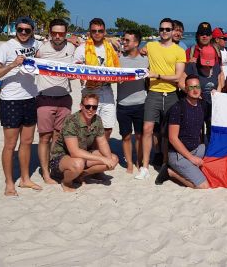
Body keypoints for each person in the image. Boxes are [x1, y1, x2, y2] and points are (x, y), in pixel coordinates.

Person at [0, 16, 42, 196]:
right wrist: (12, 65)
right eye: (20, 29)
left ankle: (25, 179)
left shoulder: (36, 44)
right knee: (10, 144)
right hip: (11, 100)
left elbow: (50, 54)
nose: (24, 33)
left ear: (32, 30)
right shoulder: (6, 47)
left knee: (27, 142)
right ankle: (9, 183)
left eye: (27, 30)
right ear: (16, 29)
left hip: (31, 98)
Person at [140, 18, 186, 179]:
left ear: (173, 31)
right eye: (162, 29)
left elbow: (177, 77)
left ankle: (166, 164)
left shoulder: (179, 51)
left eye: (167, 29)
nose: (164, 32)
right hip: (153, 93)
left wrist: (157, 75)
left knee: (167, 133)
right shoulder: (151, 46)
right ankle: (144, 166)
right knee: (147, 129)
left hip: (172, 94)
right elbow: (138, 52)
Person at [34, 19, 76, 185]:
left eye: (61, 33)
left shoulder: (72, 47)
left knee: (58, 137)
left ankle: (54, 167)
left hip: (65, 99)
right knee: (44, 138)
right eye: (54, 33)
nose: (58, 36)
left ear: (66, 33)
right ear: (50, 33)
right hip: (45, 99)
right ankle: (45, 173)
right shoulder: (41, 48)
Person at [49, 94, 119, 192]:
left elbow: (102, 142)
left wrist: (108, 160)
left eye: (94, 107)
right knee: (78, 163)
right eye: (87, 106)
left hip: (82, 155)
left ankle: (82, 174)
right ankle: (66, 182)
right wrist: (102, 159)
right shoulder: (71, 121)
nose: (91, 109)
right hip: (61, 158)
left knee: (113, 159)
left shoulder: (97, 120)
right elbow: (74, 152)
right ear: (81, 106)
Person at [155, 75, 211, 188]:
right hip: (178, 154)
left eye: (197, 87)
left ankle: (190, 166)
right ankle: (170, 172)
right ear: (185, 89)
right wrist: (192, 159)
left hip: (196, 149)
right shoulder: (178, 108)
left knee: (216, 156)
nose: (195, 90)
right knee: (203, 185)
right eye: (191, 87)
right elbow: (172, 138)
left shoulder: (203, 105)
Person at [73, 18, 120, 148]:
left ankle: (98, 151)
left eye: (100, 31)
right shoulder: (82, 48)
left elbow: (118, 66)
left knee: (108, 127)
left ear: (104, 32)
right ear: (90, 32)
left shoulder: (110, 47)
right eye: (94, 31)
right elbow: (75, 68)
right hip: (89, 90)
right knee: (89, 126)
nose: (97, 33)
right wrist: (80, 74)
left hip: (107, 90)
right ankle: (89, 152)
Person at [117, 30, 149, 174]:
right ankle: (129, 163)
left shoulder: (145, 59)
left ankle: (138, 161)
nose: (124, 42)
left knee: (140, 136)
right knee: (126, 136)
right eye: (123, 40)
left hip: (140, 103)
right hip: (123, 104)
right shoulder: (118, 59)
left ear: (136, 43)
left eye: (127, 40)